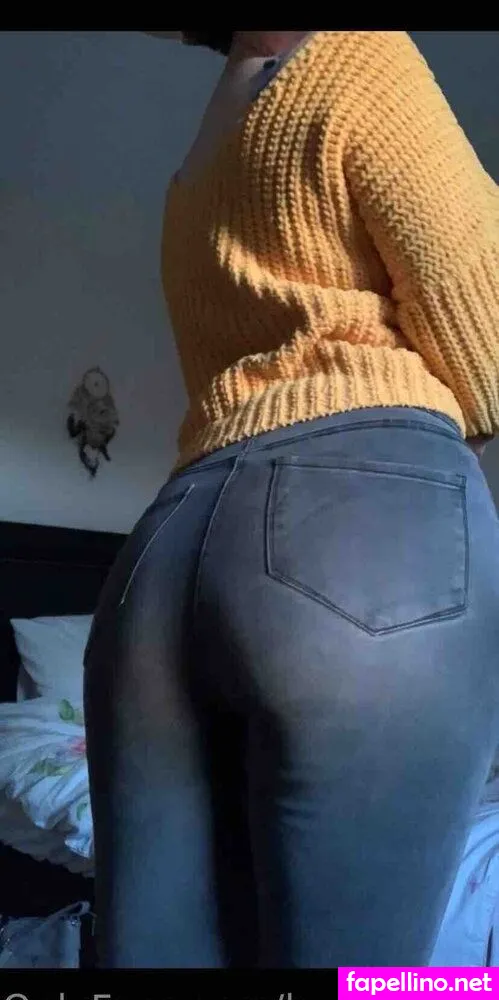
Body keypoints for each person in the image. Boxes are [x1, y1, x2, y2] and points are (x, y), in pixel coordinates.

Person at [84, 31, 499, 968]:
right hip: (359, 522)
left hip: (165, 553)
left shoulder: (197, 168)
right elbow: (488, 346)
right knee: (371, 983)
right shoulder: (362, 54)